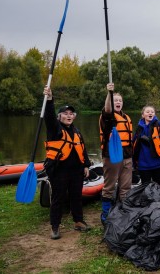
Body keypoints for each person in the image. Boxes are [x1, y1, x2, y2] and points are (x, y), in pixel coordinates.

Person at [43, 86, 91, 240]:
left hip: (76, 170)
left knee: (76, 196)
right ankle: (55, 227)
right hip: (59, 170)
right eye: (65, 113)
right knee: (58, 197)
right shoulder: (54, 128)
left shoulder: (76, 131)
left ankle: (78, 221)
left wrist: (86, 165)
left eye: (71, 114)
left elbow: (82, 149)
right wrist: (50, 99)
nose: (69, 116)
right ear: (59, 116)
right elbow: (49, 116)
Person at [99, 83, 133, 223]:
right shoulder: (108, 117)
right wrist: (109, 93)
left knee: (125, 187)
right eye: (115, 100)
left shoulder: (126, 117)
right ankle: (105, 213)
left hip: (127, 155)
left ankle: (123, 210)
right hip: (112, 155)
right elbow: (107, 109)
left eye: (120, 100)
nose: (118, 102)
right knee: (109, 187)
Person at [133, 105, 160, 185]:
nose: (150, 113)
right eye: (147, 112)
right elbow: (133, 146)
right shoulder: (139, 129)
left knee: (157, 186)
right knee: (145, 187)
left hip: (157, 164)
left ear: (154, 114)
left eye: (152, 112)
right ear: (143, 115)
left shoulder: (159, 126)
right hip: (143, 165)